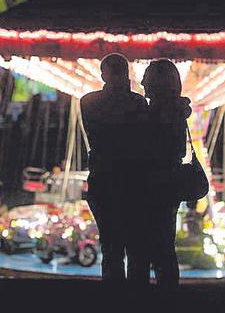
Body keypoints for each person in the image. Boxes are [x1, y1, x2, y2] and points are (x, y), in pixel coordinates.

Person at [80, 53, 149, 282]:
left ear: (103, 75)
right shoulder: (139, 103)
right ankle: (138, 297)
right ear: (127, 74)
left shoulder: (89, 102)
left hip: (103, 179)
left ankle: (114, 297)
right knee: (136, 246)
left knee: (111, 245)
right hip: (134, 181)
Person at [130, 59, 191, 289]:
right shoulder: (176, 110)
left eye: (147, 77)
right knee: (165, 245)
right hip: (168, 185)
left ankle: (146, 295)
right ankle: (167, 293)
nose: (143, 81)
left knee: (145, 246)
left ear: (157, 82)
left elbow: (148, 147)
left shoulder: (157, 112)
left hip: (152, 185)